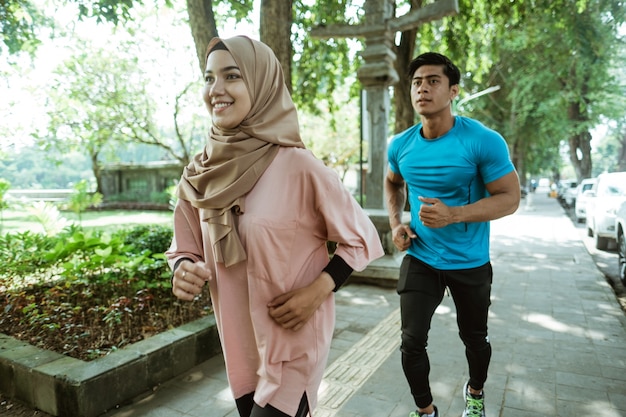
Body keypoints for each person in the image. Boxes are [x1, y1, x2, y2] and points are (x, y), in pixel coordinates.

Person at [165, 35, 384, 417]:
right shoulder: (199, 174)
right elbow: (184, 247)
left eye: (232, 76)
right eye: (209, 78)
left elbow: (361, 237)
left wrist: (318, 289)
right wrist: (182, 268)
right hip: (239, 344)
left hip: (292, 342)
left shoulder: (299, 165)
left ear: (262, 83)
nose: (216, 89)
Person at [384, 52, 520, 417]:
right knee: (411, 341)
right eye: (416, 82)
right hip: (421, 256)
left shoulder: (481, 140)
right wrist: (397, 223)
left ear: (453, 90)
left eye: (432, 81)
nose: (422, 89)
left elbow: (510, 198)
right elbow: (393, 183)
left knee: (475, 339)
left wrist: (454, 214)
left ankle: (475, 392)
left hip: (470, 260)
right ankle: (425, 410)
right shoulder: (401, 145)